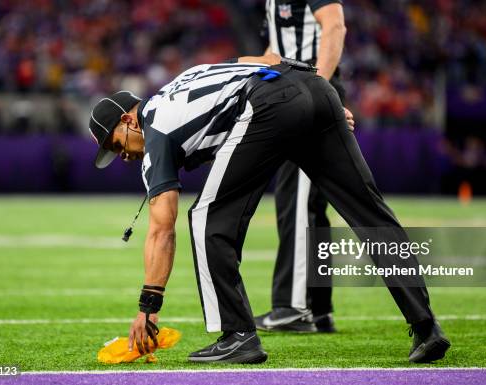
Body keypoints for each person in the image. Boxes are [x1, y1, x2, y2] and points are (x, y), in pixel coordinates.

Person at [88, 53, 450, 364]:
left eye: (115, 143)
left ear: (128, 120)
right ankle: (425, 325)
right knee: (369, 212)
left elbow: (161, 228)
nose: (121, 155)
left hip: (268, 105)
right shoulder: (185, 79)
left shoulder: (156, 132)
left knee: (206, 219)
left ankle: (238, 335)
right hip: (314, 86)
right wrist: (322, 101)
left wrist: (148, 308)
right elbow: (254, 60)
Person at [254, 0, 347, 333]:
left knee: (295, 202)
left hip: (306, 94)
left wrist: (315, 88)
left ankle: (290, 307)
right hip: (297, 92)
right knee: (312, 207)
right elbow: (274, 51)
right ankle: (318, 308)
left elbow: (335, 25)